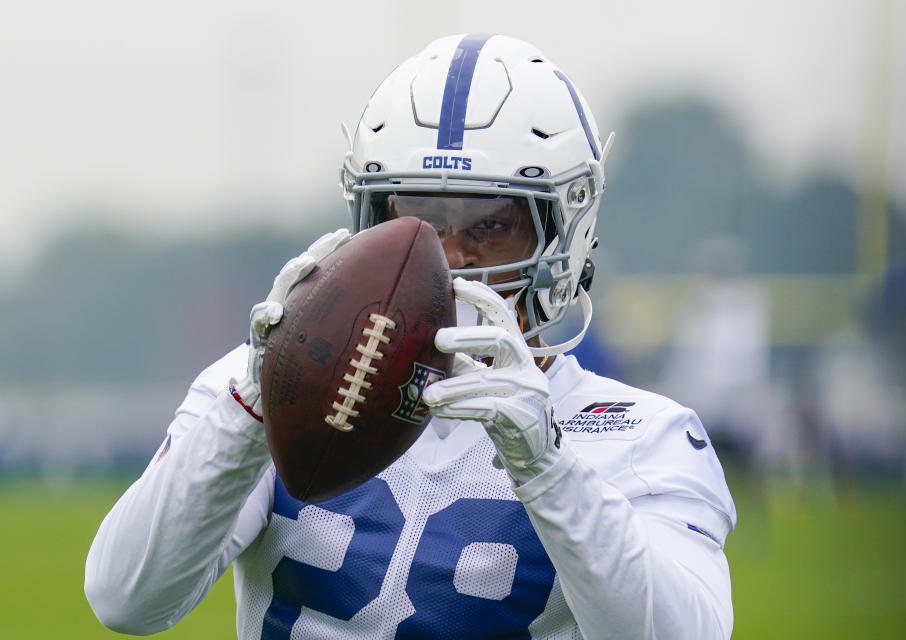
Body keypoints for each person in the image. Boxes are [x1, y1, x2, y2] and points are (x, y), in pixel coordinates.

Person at [85, 34, 737, 639]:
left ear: (563, 237)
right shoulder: (272, 383)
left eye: (491, 225)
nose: (448, 259)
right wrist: (256, 404)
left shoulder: (638, 433)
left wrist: (548, 469)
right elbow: (126, 600)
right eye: (418, 218)